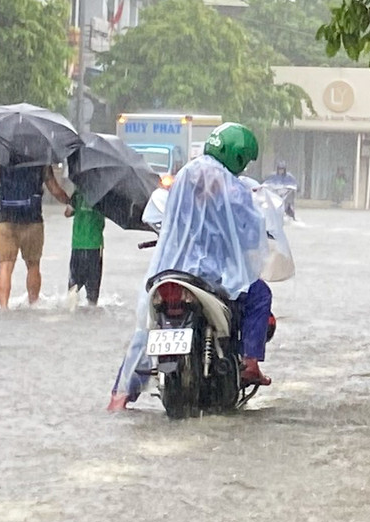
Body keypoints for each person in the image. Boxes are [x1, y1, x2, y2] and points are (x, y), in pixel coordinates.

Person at [110, 122, 274, 408]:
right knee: (259, 294)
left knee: (147, 327)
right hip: (210, 275)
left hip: (168, 270)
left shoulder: (185, 176)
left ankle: (120, 395)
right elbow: (250, 232)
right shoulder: (232, 187)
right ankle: (249, 363)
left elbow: (162, 213)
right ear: (238, 156)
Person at [0, 156, 70, 309]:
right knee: (33, 265)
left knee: (5, 265)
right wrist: (71, 201)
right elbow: (55, 190)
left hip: (6, 219)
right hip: (33, 219)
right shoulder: (40, 159)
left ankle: (3, 308)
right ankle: (33, 305)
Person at [66, 194, 106, 306]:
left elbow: (67, 213)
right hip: (95, 245)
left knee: (74, 284)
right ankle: (91, 311)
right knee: (93, 289)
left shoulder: (78, 194)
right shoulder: (104, 196)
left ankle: (71, 307)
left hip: (78, 244)